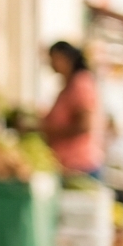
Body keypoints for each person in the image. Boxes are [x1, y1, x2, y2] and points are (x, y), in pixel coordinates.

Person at [43, 41, 103, 176]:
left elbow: (84, 125)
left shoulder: (81, 83)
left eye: (53, 58)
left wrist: (47, 130)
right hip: (66, 164)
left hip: (80, 165)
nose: (51, 64)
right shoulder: (69, 85)